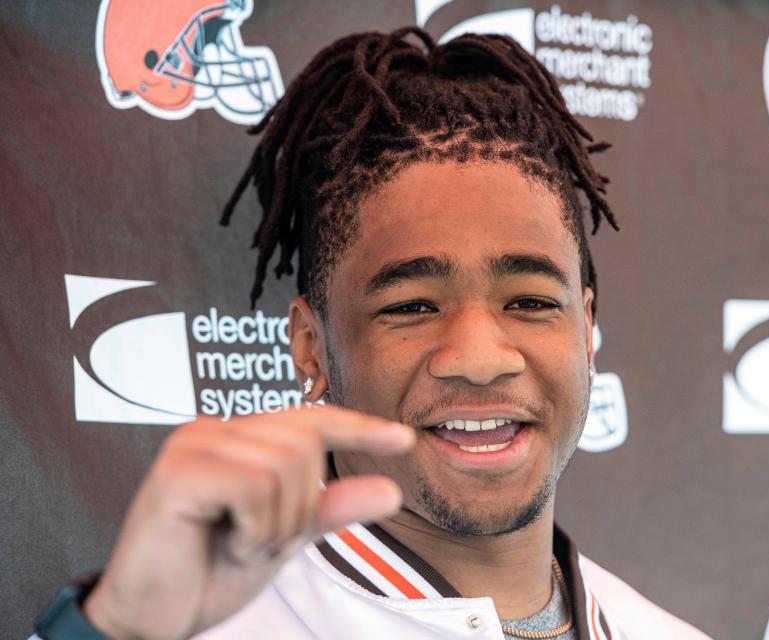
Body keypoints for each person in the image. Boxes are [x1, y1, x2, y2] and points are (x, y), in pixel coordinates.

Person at [33, 28, 710, 640]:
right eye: (413, 306)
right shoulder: (180, 627)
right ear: (311, 346)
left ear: (587, 328)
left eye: (530, 300)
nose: (478, 358)